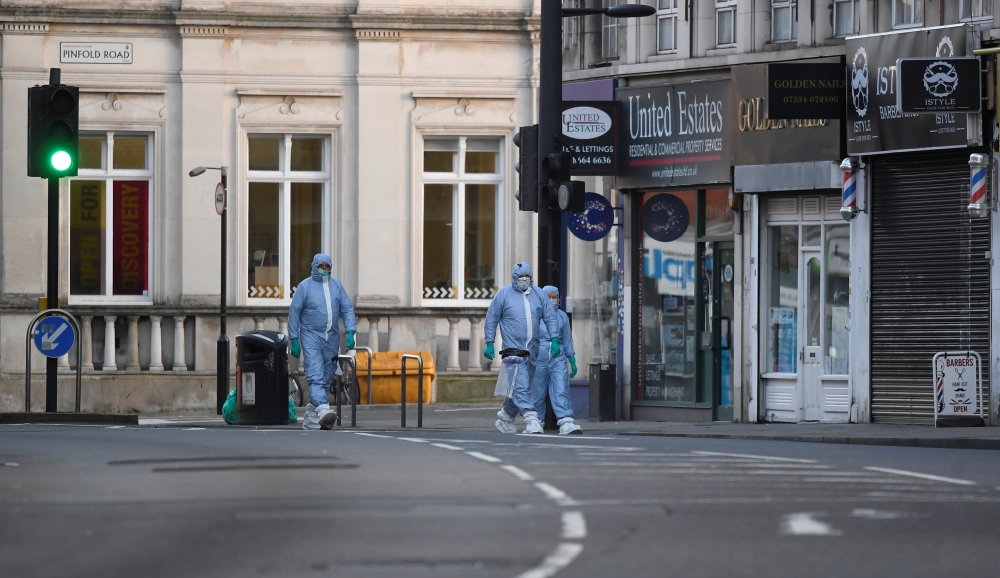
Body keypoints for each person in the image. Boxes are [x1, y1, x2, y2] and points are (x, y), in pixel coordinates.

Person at [484, 262, 561, 434]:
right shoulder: (504, 295)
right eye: (521, 277)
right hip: (512, 349)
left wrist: (554, 338)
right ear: (514, 278)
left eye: (527, 277)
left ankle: (505, 417)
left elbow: (550, 317)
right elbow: (491, 318)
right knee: (521, 385)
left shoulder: (539, 295)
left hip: (533, 348)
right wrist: (489, 342)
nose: (524, 280)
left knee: (519, 384)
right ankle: (531, 417)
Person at [288, 253, 357, 430]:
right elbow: (294, 312)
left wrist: (350, 332)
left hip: (331, 338)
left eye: (327, 267)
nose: (324, 270)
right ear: (314, 267)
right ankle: (324, 409)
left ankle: (312, 419)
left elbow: (347, 309)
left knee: (327, 377)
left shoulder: (337, 286)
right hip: (311, 337)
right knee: (315, 375)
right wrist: (294, 338)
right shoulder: (305, 287)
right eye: (321, 267)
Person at [532, 286, 582, 435]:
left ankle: (566, 421)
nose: (552, 300)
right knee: (537, 391)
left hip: (557, 357)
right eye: (549, 297)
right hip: (538, 356)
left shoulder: (562, 317)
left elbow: (567, 339)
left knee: (561, 388)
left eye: (555, 297)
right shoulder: (536, 315)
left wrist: (571, 358)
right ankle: (535, 421)